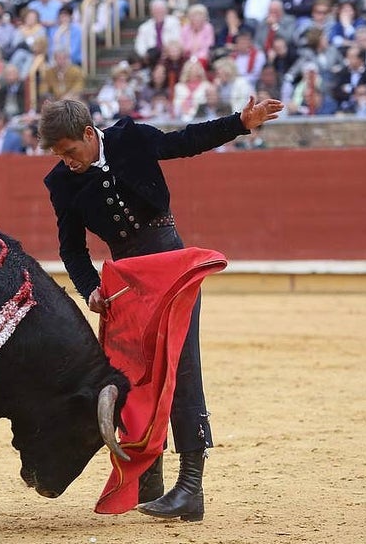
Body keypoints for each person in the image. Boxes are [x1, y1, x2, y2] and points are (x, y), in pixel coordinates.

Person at [38, 94, 283, 522]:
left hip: (171, 269)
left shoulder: (130, 139)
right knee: (135, 378)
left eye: (70, 151)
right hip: (128, 284)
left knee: (182, 369)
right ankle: (148, 477)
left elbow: (185, 141)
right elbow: (71, 248)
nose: (68, 162)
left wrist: (240, 123)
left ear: (89, 134)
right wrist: (90, 287)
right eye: (59, 155)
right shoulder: (61, 182)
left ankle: (190, 488)